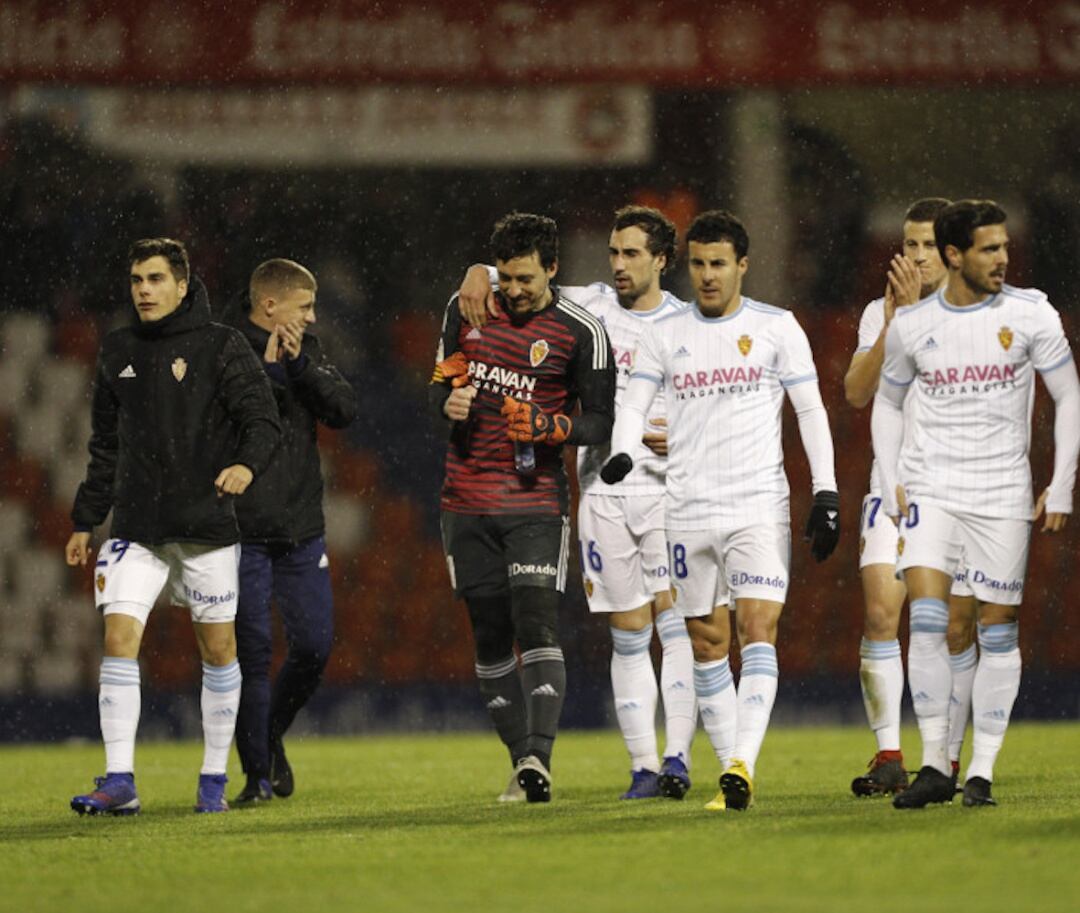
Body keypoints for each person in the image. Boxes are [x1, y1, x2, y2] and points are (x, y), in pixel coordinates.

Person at [601, 209, 840, 811]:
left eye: (719, 264)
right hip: (685, 509)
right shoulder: (666, 333)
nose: (707, 276)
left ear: (743, 266)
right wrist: (623, 452)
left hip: (756, 504)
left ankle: (741, 762)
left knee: (757, 629)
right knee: (707, 644)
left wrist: (827, 491)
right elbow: (633, 403)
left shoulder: (777, 327)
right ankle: (733, 772)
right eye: (699, 264)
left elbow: (810, 412)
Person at [457, 206, 697, 801]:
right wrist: (476, 269)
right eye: (613, 252)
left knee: (674, 619)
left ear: (662, 260)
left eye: (632, 253)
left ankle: (678, 758)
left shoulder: (688, 324)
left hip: (671, 487)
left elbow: (714, 402)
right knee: (627, 629)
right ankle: (643, 767)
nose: (618, 264)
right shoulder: (587, 308)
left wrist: (686, 432)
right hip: (602, 489)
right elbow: (520, 273)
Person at [872, 199, 1080, 808]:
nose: (1004, 259)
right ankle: (936, 761)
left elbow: (1069, 396)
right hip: (932, 490)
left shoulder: (1031, 314)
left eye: (1006, 248)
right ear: (955, 255)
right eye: (990, 250)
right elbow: (886, 404)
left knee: (995, 630)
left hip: (1002, 495)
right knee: (932, 619)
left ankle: (981, 769)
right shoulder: (913, 324)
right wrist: (889, 477)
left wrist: (1061, 481)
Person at [66, 238, 281, 815]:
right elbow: (104, 446)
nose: (144, 290)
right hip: (136, 527)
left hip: (206, 525)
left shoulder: (221, 346)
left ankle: (212, 781)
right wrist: (87, 519)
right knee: (118, 639)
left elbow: (262, 420)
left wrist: (244, 465)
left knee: (218, 651)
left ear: (183, 285)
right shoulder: (117, 351)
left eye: (156, 279)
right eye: (137, 279)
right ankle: (119, 781)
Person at [430, 212, 616, 803]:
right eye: (505, 277)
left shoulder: (580, 331)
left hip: (534, 500)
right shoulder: (466, 307)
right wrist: (447, 402)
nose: (512, 290)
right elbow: (442, 378)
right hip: (465, 499)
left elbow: (601, 421)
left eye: (525, 280)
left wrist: (550, 425)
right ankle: (522, 763)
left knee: (536, 620)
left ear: (553, 270)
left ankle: (540, 757)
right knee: (489, 636)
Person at [844, 198, 978, 796]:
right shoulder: (881, 312)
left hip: (955, 490)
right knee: (880, 614)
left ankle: (943, 756)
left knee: (950, 628)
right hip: (891, 489)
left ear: (951, 249)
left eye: (927, 244)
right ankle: (890, 754)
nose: (916, 255)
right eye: (909, 245)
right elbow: (854, 392)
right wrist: (897, 320)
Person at [227, 259, 357, 805]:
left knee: (314, 646)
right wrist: (271, 368)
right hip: (241, 528)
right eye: (305, 306)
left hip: (301, 527)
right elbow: (233, 419)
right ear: (270, 305)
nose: (313, 315)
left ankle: (269, 733)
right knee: (251, 654)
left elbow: (344, 409)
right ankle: (257, 777)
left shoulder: (311, 348)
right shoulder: (227, 349)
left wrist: (299, 364)